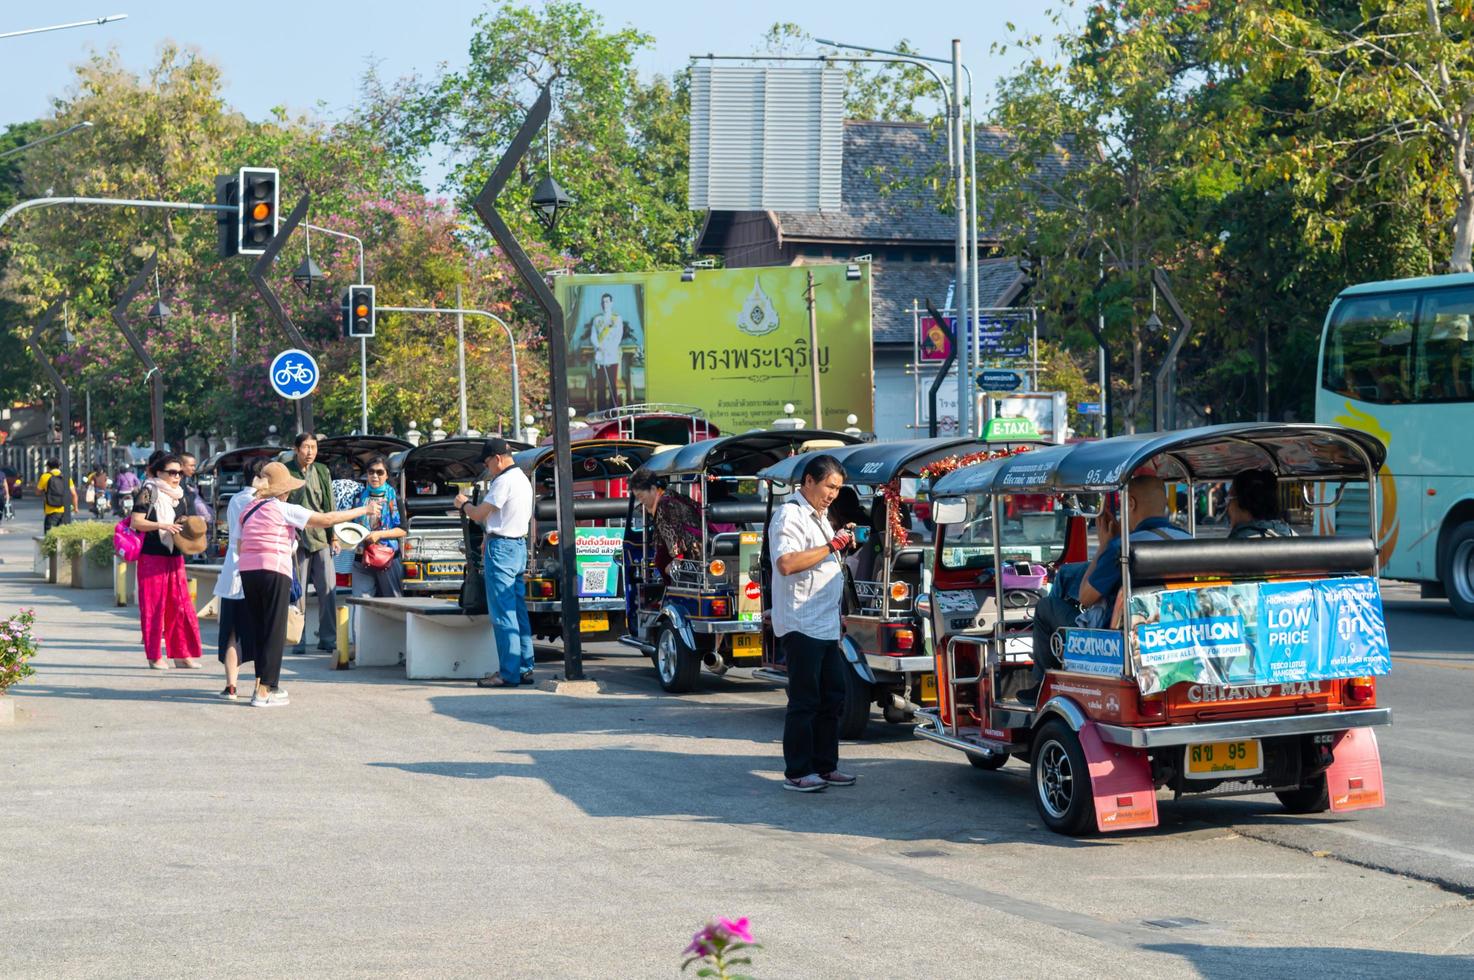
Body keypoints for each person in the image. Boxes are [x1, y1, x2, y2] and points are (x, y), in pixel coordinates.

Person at [1025, 474, 1191, 704]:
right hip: (1173, 630)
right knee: (1068, 575)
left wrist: (1103, 546)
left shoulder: (1121, 548)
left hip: (1114, 639)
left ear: (1131, 503)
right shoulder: (1187, 539)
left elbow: (1086, 597)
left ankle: (1042, 686)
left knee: (1046, 607)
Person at [236, 462, 376, 707]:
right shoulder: (282, 508)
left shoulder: (248, 509)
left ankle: (263, 684)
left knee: (260, 629)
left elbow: (240, 545)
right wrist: (364, 510)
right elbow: (327, 519)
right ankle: (266, 690)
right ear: (283, 490)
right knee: (274, 629)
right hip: (274, 570)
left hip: (248, 571)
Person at [767, 454, 859, 793]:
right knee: (805, 700)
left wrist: (839, 543)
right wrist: (831, 544)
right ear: (808, 481)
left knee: (832, 697)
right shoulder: (789, 515)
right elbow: (787, 563)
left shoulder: (820, 515)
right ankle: (797, 771)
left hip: (825, 623)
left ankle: (825, 766)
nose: (833, 493)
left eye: (838, 487)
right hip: (800, 621)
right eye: (829, 486)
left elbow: (824, 562)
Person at [454, 438, 535, 689]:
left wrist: (464, 503)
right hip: (518, 546)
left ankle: (508, 673)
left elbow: (479, 514)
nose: (488, 467)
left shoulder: (503, 481)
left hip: (501, 549)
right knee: (518, 611)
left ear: (497, 459)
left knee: (502, 613)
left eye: (488, 462)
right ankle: (524, 667)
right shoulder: (523, 479)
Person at [130, 453, 205, 670]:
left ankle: (182, 654)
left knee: (181, 605)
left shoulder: (180, 495)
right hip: (152, 556)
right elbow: (137, 522)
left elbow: (182, 520)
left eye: (179, 472)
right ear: (158, 473)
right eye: (172, 472)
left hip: (175, 556)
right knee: (154, 608)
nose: (176, 476)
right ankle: (154, 656)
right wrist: (162, 526)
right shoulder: (149, 491)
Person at [214, 458, 270, 699]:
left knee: (232, 633)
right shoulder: (264, 504)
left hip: (231, 576)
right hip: (256, 572)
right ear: (260, 478)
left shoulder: (235, 500)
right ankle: (260, 687)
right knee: (260, 632)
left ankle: (231, 686)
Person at [285, 433, 339, 655]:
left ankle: (328, 639)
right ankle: (298, 638)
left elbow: (329, 504)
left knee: (328, 589)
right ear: (296, 449)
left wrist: (333, 536)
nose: (310, 452)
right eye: (306, 447)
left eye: (313, 447)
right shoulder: (286, 470)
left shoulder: (322, 471)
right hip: (297, 539)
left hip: (321, 538)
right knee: (298, 592)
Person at [350, 455, 407, 598]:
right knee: (361, 604)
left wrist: (379, 535)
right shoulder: (359, 498)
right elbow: (352, 524)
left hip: (387, 557)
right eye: (371, 472)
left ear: (387, 475)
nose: (375, 476)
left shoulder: (394, 498)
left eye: (380, 472)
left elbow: (403, 529)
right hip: (361, 557)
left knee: (392, 604)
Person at [630, 470, 702, 580]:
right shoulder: (677, 496)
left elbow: (670, 531)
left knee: (661, 562)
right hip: (697, 543)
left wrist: (677, 557)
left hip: (687, 549)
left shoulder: (662, 505)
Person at [1226, 469, 1296, 539]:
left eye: (1229, 499)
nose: (1227, 506)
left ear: (1240, 501)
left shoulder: (1233, 543)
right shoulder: (1292, 536)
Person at [38, 459, 77, 532]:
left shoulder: (45, 476)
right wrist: (76, 508)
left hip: (51, 511)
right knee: (63, 535)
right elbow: (74, 494)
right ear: (59, 466)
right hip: (65, 511)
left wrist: (45, 492)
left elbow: (38, 492)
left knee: (49, 536)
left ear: (48, 467)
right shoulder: (66, 477)